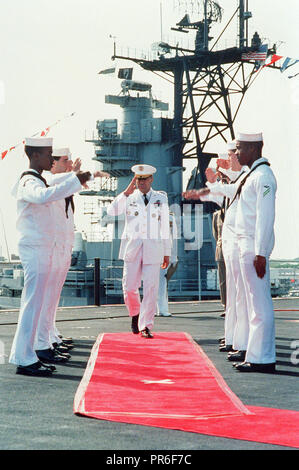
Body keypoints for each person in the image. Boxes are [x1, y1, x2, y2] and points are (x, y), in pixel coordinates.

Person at [9, 137, 92, 376]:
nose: (50, 158)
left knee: (38, 304)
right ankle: (24, 358)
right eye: (47, 154)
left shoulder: (40, 180)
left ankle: (31, 352)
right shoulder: (28, 181)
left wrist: (77, 178)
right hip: (35, 249)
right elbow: (43, 197)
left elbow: (52, 188)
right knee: (32, 305)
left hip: (44, 248)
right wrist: (76, 178)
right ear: (35, 155)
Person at [34, 147, 110, 364]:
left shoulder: (60, 182)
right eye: (64, 161)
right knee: (46, 298)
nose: (68, 165)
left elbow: (68, 185)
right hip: (51, 246)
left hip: (62, 246)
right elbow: (61, 181)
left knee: (52, 298)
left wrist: (76, 175)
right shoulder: (48, 179)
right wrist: (84, 174)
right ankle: (43, 343)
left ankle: (49, 338)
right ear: (53, 163)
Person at [107, 164, 171, 338]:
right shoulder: (128, 197)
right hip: (132, 248)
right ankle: (135, 313)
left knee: (151, 287)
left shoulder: (161, 198)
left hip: (153, 249)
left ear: (151, 179)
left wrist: (167, 252)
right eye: (138, 179)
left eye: (144, 179)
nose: (141, 182)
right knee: (129, 287)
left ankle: (145, 325)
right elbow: (111, 211)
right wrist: (126, 192)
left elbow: (165, 226)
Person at [232, 132, 277, 373]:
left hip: (253, 245)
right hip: (245, 244)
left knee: (259, 302)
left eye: (239, 148)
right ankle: (257, 354)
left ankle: (263, 358)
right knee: (252, 303)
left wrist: (260, 252)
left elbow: (265, 217)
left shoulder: (264, 176)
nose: (237, 153)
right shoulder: (253, 175)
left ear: (252, 148)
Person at [156, 213, 178, 317]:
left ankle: (162, 309)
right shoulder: (147, 214)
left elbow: (173, 238)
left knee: (161, 283)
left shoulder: (169, 217)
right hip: (150, 252)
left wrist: (173, 257)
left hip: (163, 254)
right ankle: (155, 309)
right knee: (150, 284)